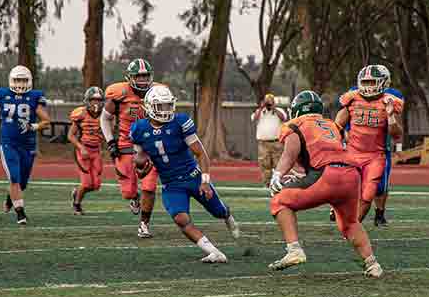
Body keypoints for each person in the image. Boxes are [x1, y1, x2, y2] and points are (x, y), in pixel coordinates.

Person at [268, 90, 383, 277]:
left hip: (326, 176)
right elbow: (332, 150)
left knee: (279, 201)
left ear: (296, 110)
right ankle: (372, 264)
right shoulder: (332, 125)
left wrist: (278, 174)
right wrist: (303, 176)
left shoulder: (295, 124)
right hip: (351, 175)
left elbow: (290, 152)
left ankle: (294, 250)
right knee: (350, 223)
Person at [130, 85, 240, 262]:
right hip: (171, 184)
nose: (166, 110)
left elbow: (201, 154)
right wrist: (141, 167)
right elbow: (140, 160)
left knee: (218, 211)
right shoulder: (139, 129)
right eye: (161, 106)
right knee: (181, 219)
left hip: (193, 177)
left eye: (168, 105)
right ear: (149, 107)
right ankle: (214, 252)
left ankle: (227, 215)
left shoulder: (180, 122)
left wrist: (205, 181)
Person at [334, 64, 404, 224]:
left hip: (377, 151)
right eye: (365, 82)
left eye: (372, 82)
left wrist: (391, 115)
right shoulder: (352, 96)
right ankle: (341, 212)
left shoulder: (392, 99)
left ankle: (374, 215)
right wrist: (339, 139)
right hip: (353, 149)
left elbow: (397, 134)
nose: (368, 87)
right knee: (343, 183)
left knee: (377, 189)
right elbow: (338, 123)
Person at [100, 58, 160, 238]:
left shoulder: (158, 92)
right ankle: (134, 198)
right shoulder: (120, 93)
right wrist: (110, 141)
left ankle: (144, 223)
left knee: (149, 187)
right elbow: (105, 118)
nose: (142, 80)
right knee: (128, 192)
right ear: (130, 77)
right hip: (126, 144)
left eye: (145, 76)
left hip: (150, 144)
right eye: (138, 76)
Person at [0, 65, 51, 225]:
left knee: (22, 182)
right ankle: (20, 213)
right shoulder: (2, 95)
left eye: (23, 80)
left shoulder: (35, 96)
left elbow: (46, 122)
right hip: (9, 143)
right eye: (17, 80)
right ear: (11, 80)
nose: (20, 83)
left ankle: (10, 197)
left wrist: (33, 126)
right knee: (14, 177)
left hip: (28, 145)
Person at [68, 86, 106, 215]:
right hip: (83, 150)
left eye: (98, 100)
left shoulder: (105, 115)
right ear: (87, 100)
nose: (96, 103)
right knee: (87, 183)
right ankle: (77, 204)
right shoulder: (81, 114)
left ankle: (76, 192)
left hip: (96, 151)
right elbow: (71, 135)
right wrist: (81, 147)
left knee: (96, 185)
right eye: (93, 100)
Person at [251, 93, 288, 186]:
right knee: (264, 165)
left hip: (277, 142)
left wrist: (274, 108)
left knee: (278, 164)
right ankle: (267, 184)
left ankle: (278, 183)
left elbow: (284, 118)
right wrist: (261, 107)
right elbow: (254, 118)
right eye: (267, 102)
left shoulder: (279, 111)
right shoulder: (260, 112)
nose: (268, 104)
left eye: (270, 102)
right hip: (263, 143)